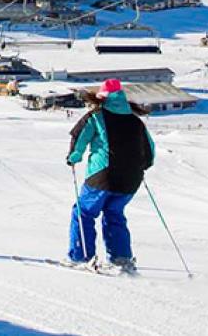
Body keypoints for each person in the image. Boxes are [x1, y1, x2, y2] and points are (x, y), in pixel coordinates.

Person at [65, 79, 155, 273]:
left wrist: (73, 158)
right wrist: (143, 165)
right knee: (114, 214)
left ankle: (81, 256)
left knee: (84, 212)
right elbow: (150, 149)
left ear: (102, 97)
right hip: (131, 180)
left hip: (103, 176)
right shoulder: (135, 120)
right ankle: (121, 258)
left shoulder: (97, 116)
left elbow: (79, 137)